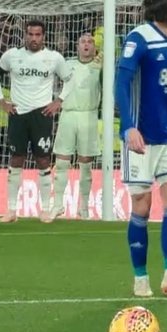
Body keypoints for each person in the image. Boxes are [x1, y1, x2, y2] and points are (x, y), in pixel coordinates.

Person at [115, 0, 167, 298]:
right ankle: (140, 278)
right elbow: (121, 83)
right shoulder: (139, 38)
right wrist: (128, 128)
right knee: (143, 206)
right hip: (141, 138)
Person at [0, 20, 73, 223]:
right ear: (25, 35)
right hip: (18, 113)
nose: (34, 38)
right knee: (16, 159)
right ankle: (11, 210)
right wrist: (1, 100)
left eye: (38, 35)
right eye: (30, 34)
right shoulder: (12, 55)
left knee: (43, 160)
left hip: (41, 114)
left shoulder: (53, 58)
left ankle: (44, 209)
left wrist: (59, 101)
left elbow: (70, 79)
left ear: (43, 36)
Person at [52, 33, 102, 220]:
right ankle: (57, 205)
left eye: (90, 42)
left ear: (94, 47)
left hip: (89, 115)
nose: (87, 44)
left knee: (86, 165)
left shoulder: (100, 66)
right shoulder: (67, 64)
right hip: (68, 115)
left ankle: (84, 207)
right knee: (62, 162)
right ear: (77, 46)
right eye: (83, 42)